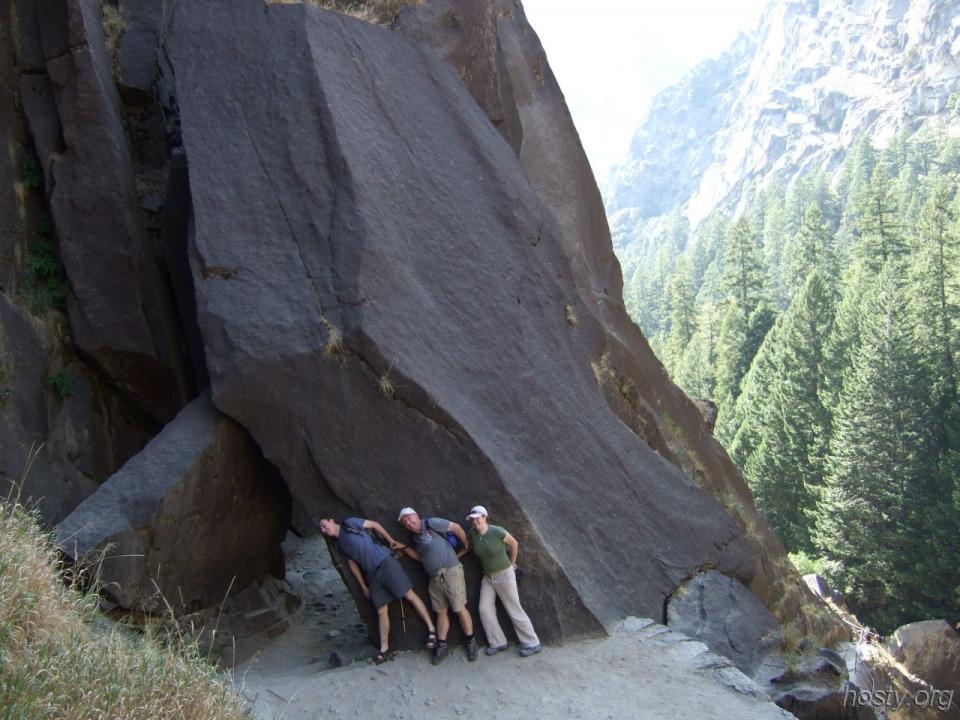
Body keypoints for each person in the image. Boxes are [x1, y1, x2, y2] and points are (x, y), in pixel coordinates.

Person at [319, 517, 437, 664]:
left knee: (409, 595)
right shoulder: (339, 546)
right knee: (381, 610)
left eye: (325, 525)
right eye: (322, 529)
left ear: (331, 521)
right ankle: (384, 649)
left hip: (385, 562)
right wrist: (363, 586)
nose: (325, 529)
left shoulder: (349, 524)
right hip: (372, 574)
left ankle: (431, 629)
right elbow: (352, 565)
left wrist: (390, 541)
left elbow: (375, 524)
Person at [396, 507, 479, 664]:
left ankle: (471, 642)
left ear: (416, 515)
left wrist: (466, 544)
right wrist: (405, 548)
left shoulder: (432, 523)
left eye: (409, 518)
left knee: (459, 608)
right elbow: (420, 558)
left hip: (450, 571)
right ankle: (441, 645)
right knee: (440, 611)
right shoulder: (416, 538)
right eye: (405, 522)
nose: (408, 523)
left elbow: (456, 527)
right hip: (434, 577)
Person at [465, 505, 542, 657]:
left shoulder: (497, 531)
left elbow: (514, 544)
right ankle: (498, 642)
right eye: (472, 519)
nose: (475, 522)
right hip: (488, 577)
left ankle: (532, 643)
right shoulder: (472, 533)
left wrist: (512, 563)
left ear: (485, 517)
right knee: (484, 609)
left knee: (514, 608)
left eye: (478, 518)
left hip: (504, 575)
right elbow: (469, 544)